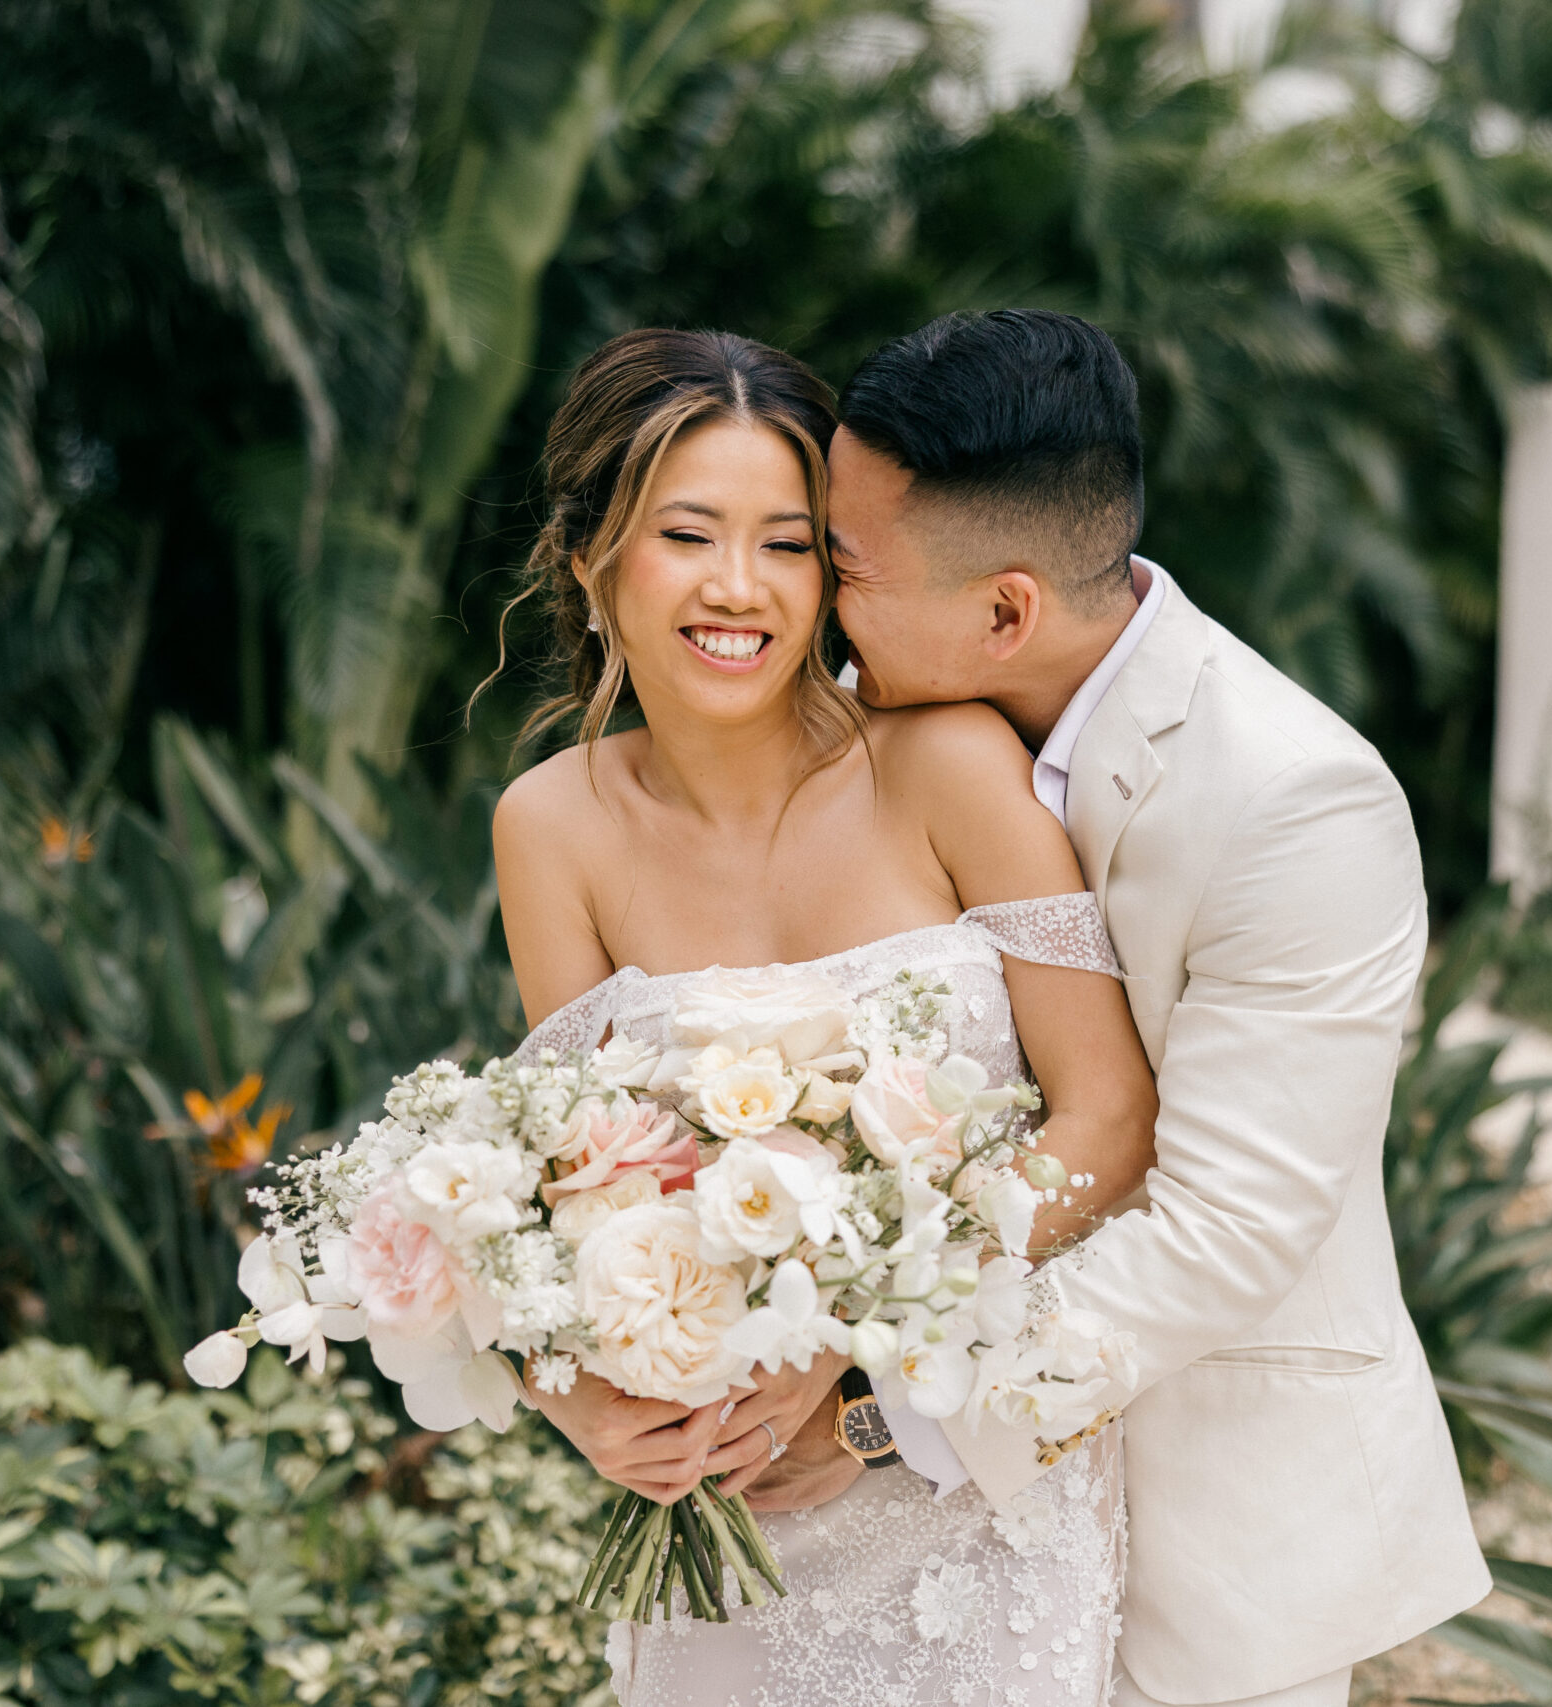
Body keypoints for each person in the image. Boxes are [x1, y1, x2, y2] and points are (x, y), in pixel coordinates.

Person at [780, 308, 1491, 1707]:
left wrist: (875, 1417)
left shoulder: (1296, 801)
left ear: (1004, 613)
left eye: (841, 564)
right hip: (927, 1557)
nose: (812, 597)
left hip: (1209, 1538)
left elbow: (1228, 1229)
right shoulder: (863, 753)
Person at [492, 325, 1163, 1706]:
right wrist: (584, 1407)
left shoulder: (949, 768)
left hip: (965, 1497)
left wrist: (858, 1376)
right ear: (591, 558)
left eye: (789, 545)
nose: (739, 589)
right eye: (688, 534)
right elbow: (565, 1188)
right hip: (726, 1524)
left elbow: (1110, 1119)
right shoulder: (550, 828)